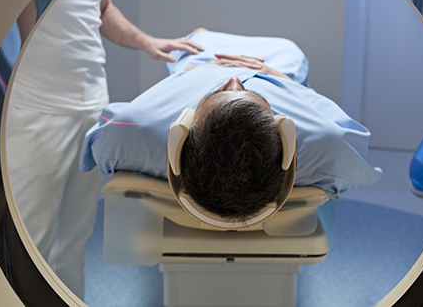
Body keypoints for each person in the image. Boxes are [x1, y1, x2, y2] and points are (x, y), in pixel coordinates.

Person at [6, 0, 203, 300]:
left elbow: (102, 8)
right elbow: (15, 13)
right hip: (39, 106)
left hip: (91, 103)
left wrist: (146, 41)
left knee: (74, 235)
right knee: (31, 236)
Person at [80, 29, 383, 220]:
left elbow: (97, 144)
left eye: (223, 91)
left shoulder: (136, 128)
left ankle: (202, 36)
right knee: (289, 47)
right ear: (282, 130)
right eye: (248, 94)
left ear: (186, 126)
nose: (235, 79)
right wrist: (281, 79)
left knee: (197, 37)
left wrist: (197, 75)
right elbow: (362, 165)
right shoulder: (325, 143)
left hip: (201, 60)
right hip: (276, 61)